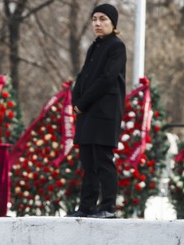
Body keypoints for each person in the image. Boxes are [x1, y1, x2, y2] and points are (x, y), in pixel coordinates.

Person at [67, 3, 126, 219]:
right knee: (88, 161)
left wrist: (82, 103)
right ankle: (87, 206)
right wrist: (75, 98)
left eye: (103, 19)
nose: (97, 23)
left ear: (113, 23)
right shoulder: (95, 46)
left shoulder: (116, 47)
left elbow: (107, 79)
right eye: (94, 19)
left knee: (102, 159)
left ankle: (108, 207)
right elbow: (83, 76)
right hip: (88, 112)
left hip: (104, 113)